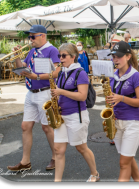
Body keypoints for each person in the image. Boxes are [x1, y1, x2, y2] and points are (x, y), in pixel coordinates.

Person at [7, 25, 61, 172]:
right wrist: (17, 56)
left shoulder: (52, 50)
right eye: (29, 37)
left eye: (32, 37)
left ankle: (56, 157)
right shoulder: (32, 51)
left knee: (47, 127)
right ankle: (25, 162)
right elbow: (22, 68)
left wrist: (37, 76)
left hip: (45, 92)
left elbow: (57, 72)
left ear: (42, 36)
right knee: (25, 126)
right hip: (31, 92)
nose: (30, 40)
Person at [51, 43, 99, 182]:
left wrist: (61, 91)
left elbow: (82, 96)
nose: (61, 58)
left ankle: (95, 173)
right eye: (59, 55)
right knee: (58, 150)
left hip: (76, 116)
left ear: (73, 57)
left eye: (64, 55)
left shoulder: (80, 73)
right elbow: (60, 94)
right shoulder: (61, 73)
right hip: (62, 115)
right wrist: (56, 103)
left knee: (81, 148)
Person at [106, 41, 139, 182]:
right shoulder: (112, 76)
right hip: (116, 121)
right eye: (113, 56)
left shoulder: (137, 76)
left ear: (128, 56)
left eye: (119, 56)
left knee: (123, 163)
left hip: (132, 122)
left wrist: (121, 98)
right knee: (128, 158)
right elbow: (111, 99)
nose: (115, 59)